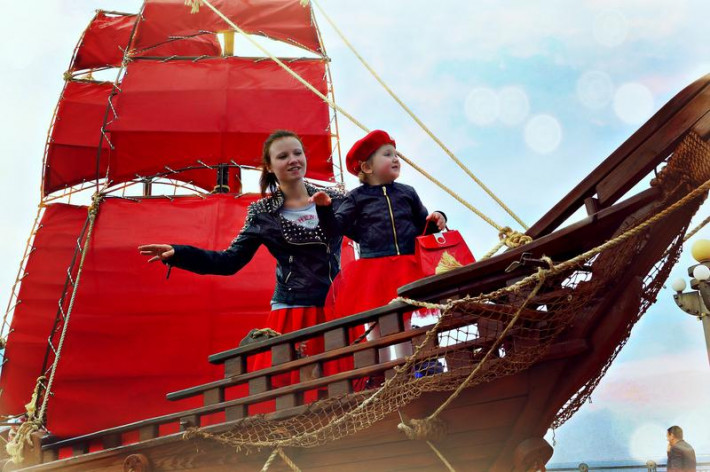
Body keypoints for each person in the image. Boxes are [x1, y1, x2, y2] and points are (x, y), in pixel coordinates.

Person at [138, 130, 346, 399]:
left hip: (336, 304)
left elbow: (368, 232)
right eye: (283, 156)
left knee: (342, 386)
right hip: (294, 310)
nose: (293, 160)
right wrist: (179, 253)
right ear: (269, 166)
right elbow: (229, 261)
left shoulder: (336, 199)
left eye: (298, 153)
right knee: (299, 394)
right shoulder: (262, 213)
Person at [311, 130, 447, 361]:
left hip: (405, 265)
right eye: (387, 154)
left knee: (402, 321)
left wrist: (438, 218)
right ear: (367, 167)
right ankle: (382, 372)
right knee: (375, 322)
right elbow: (335, 228)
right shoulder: (356, 197)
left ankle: (405, 370)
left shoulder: (407, 193)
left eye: (396, 154)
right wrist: (324, 210)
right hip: (373, 269)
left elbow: (422, 230)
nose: (395, 159)